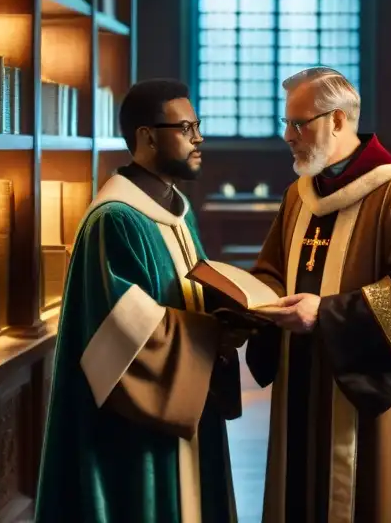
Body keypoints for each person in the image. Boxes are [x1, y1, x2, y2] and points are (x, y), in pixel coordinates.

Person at [246, 66, 391, 523]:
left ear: (338, 121)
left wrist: (325, 314)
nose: (287, 136)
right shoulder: (299, 196)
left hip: (365, 391)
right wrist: (254, 299)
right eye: (285, 123)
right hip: (301, 378)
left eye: (297, 123)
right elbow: (271, 268)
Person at [35, 78, 244, 523]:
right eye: (186, 128)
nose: (198, 138)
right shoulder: (115, 219)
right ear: (147, 137)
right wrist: (212, 334)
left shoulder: (173, 210)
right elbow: (126, 335)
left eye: (197, 125)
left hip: (187, 402)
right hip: (137, 431)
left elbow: (192, 293)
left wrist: (238, 314)